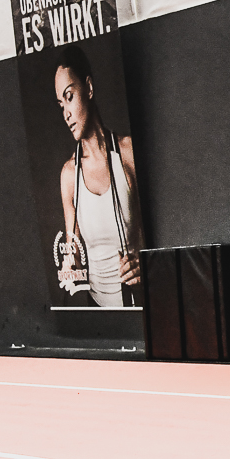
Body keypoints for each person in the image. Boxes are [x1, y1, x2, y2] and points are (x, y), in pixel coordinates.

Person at [55, 45, 142, 308]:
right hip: (98, 315)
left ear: (89, 88)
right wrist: (70, 265)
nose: (66, 113)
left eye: (69, 97)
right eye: (60, 105)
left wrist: (145, 262)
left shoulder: (128, 153)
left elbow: (158, 233)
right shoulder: (69, 175)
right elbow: (73, 250)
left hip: (138, 305)